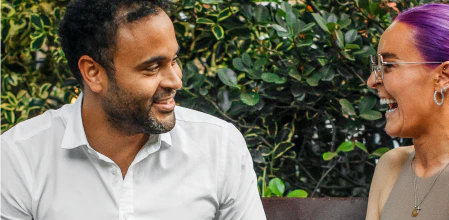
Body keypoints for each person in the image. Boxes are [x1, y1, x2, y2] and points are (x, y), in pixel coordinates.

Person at [0, 0, 266, 219]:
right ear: (93, 72)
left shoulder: (218, 147)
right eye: (152, 68)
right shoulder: (19, 158)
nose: (176, 80)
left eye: (174, 60)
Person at [366, 3, 449, 220]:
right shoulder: (391, 165)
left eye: (388, 66)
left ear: (444, 76)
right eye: (376, 67)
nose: (372, 81)